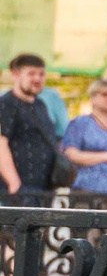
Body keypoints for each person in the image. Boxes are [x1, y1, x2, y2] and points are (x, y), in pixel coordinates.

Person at [59, 78, 107, 203]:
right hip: (86, 191)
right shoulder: (80, 124)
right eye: (105, 94)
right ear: (93, 97)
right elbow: (71, 154)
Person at [0, 53, 60, 199]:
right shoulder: (6, 104)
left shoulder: (40, 105)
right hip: (17, 192)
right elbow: (1, 143)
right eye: (31, 73)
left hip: (43, 190)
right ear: (16, 74)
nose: (37, 79)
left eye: (41, 74)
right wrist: (14, 185)